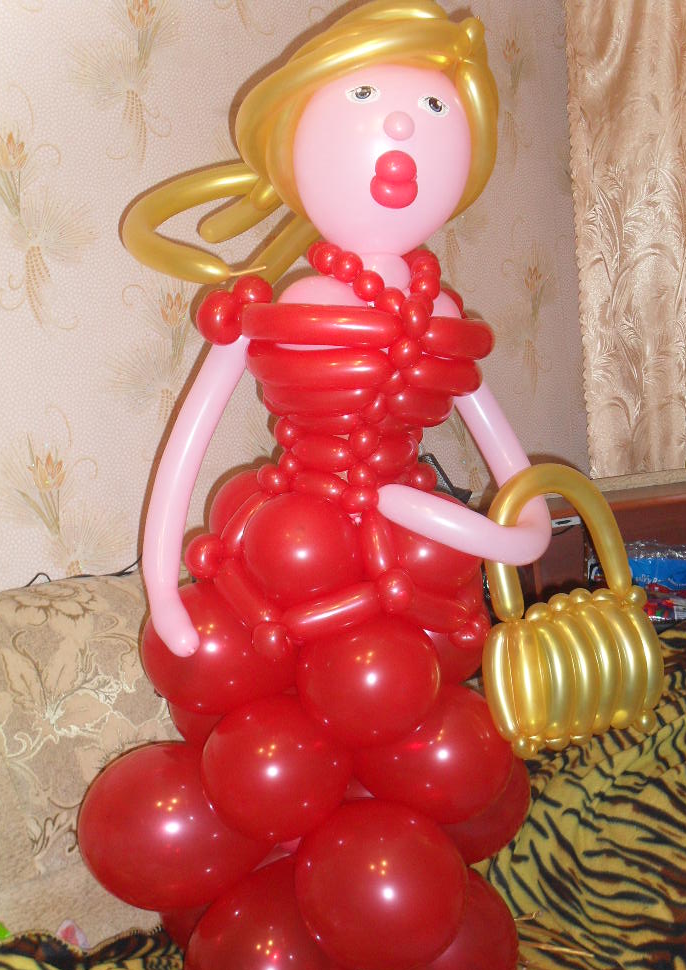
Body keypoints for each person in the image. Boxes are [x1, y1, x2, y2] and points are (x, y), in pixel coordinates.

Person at [122, 0, 552, 660]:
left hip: (414, 567)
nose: (402, 125)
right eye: (364, 95)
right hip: (295, 550)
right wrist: (163, 590)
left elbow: (527, 506)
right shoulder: (269, 311)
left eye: (434, 107)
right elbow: (188, 446)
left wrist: (505, 535)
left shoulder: (440, 317)